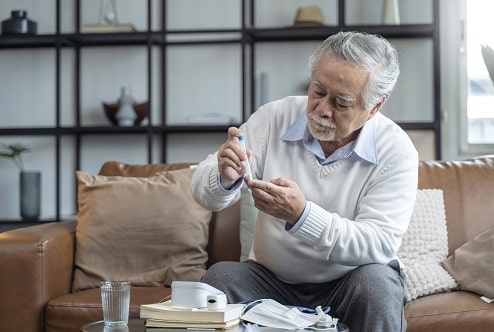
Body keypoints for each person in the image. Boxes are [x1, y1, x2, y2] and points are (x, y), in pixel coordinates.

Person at [191, 31, 418, 332]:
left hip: (349, 282)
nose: (322, 109)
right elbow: (206, 196)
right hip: (270, 280)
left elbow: (378, 245)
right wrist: (223, 177)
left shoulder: (396, 150)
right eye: (318, 91)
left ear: (375, 106)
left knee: (377, 286)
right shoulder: (274, 118)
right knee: (219, 280)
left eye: (341, 102)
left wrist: (302, 216)